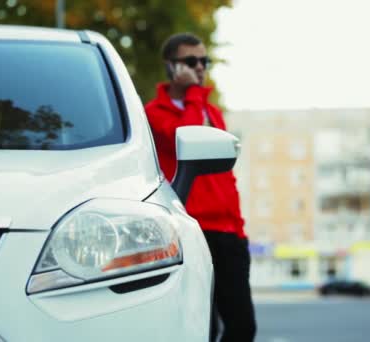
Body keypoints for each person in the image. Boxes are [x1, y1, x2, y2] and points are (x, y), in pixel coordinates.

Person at [144, 33, 256, 342]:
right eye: (190, 61)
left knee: (243, 327)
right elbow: (186, 138)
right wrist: (194, 96)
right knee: (203, 329)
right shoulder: (154, 113)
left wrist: (239, 227)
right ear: (170, 66)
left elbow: (224, 175)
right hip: (192, 231)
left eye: (203, 61)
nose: (199, 68)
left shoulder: (212, 111)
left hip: (229, 233)